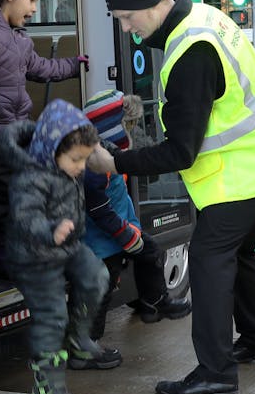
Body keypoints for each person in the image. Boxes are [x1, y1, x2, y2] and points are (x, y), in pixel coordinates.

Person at [91, 0, 255, 394]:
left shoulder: (191, 51)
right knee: (241, 253)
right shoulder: (202, 18)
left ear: (151, 5)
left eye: (129, 19)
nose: (129, 29)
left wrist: (114, 164)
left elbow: (180, 151)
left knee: (210, 261)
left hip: (245, 170)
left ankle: (215, 373)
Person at [0, 98, 118, 394]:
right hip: (35, 253)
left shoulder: (62, 157)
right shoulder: (30, 175)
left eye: (84, 159)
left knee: (96, 276)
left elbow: (92, 144)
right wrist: (50, 229)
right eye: (76, 160)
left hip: (66, 244)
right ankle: (46, 387)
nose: (81, 167)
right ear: (53, 149)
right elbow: (26, 217)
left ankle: (78, 338)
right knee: (52, 316)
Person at [0, 0, 86, 276]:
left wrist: (76, 64)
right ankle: (0, 261)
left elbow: (43, 69)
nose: (34, 8)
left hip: (16, 135)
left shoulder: (19, 39)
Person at [80, 90, 192, 340]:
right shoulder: (94, 164)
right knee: (101, 288)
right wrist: (125, 235)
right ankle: (86, 346)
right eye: (126, 125)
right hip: (101, 239)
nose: (131, 130)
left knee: (150, 252)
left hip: (116, 230)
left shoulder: (108, 157)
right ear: (111, 129)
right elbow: (98, 210)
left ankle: (154, 302)